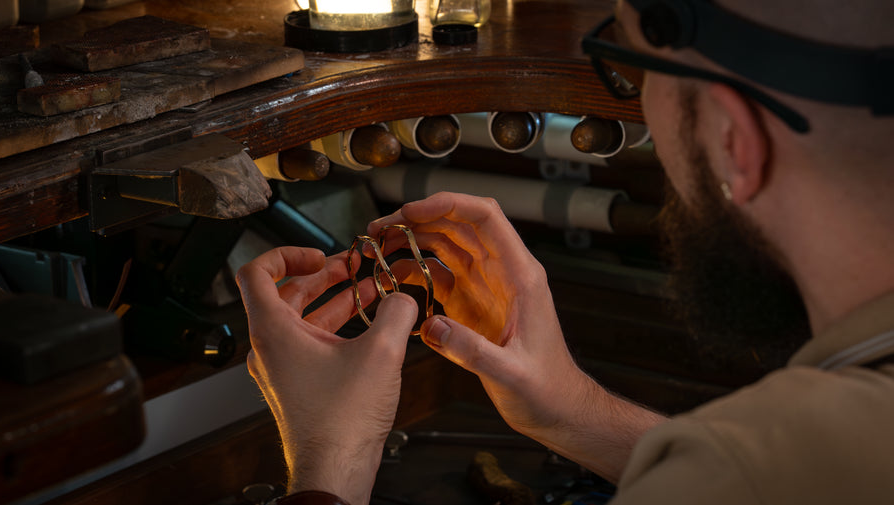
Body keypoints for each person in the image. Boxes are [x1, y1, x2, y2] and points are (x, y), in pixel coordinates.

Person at [235, 0, 894, 503]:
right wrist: (571, 409)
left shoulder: (737, 472)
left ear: (732, 141)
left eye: (633, 74)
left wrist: (329, 459)